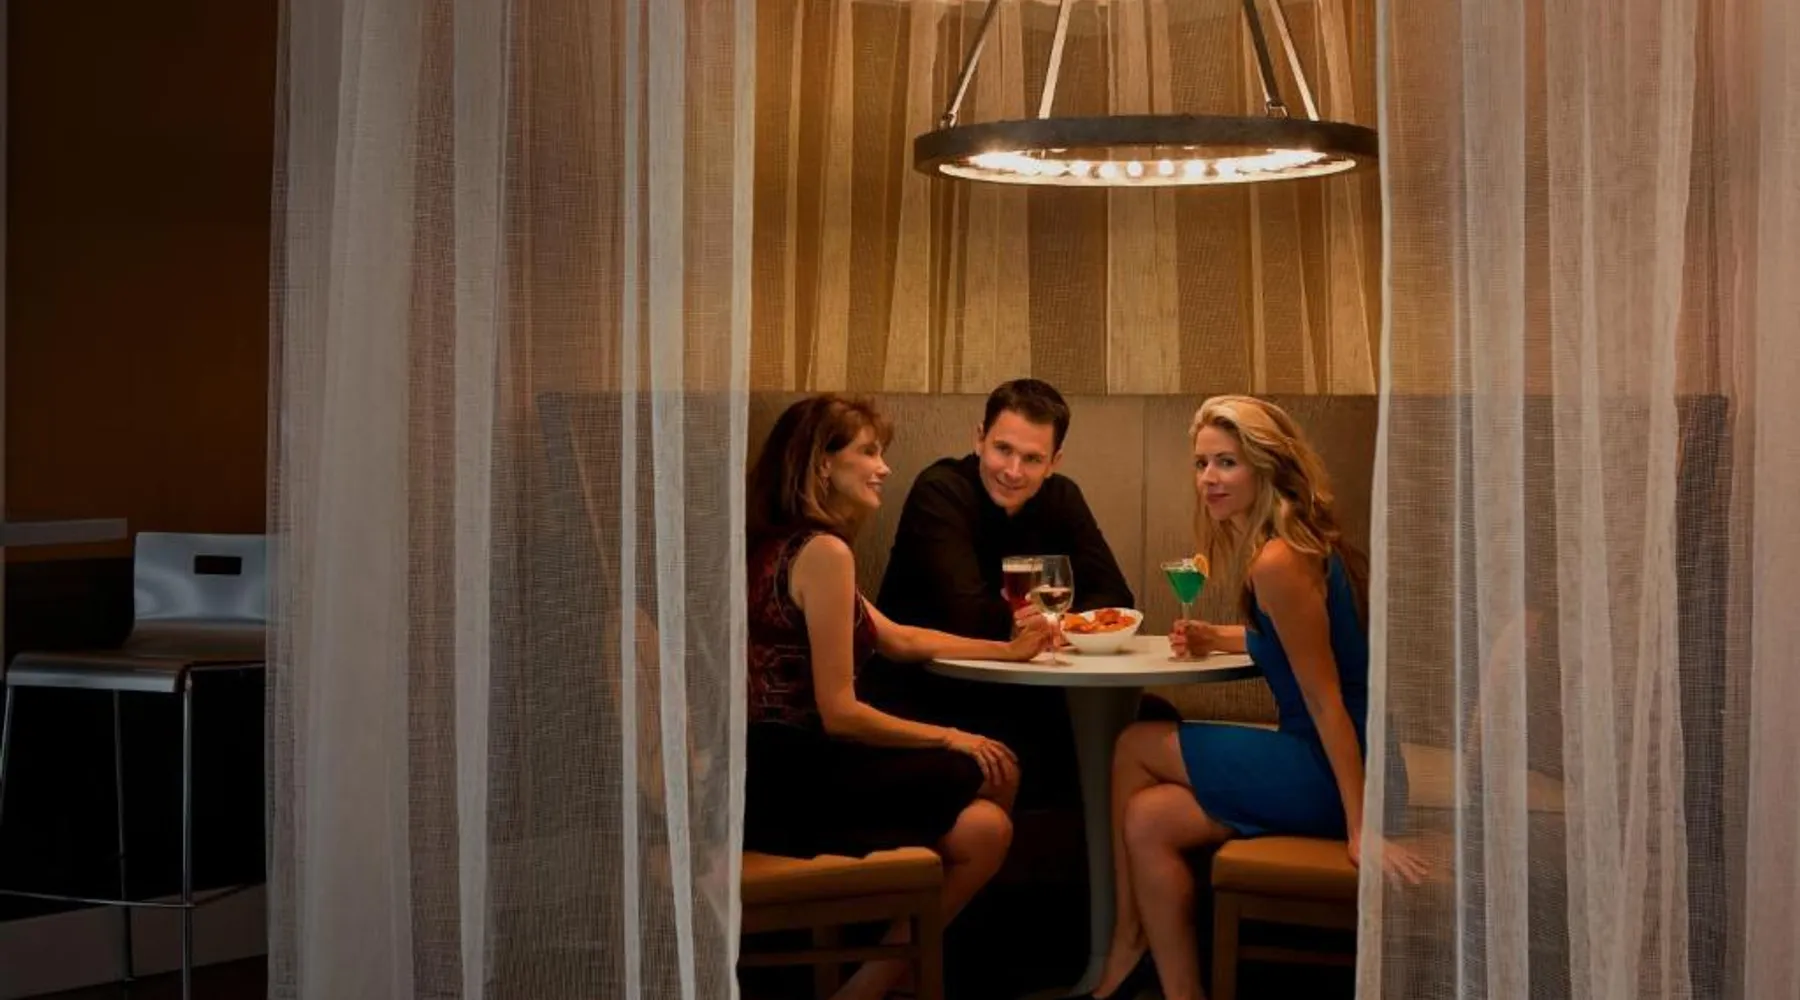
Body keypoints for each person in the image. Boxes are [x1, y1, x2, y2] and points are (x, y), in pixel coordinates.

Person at [1085, 395, 1426, 1000]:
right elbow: (1299, 641)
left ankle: (1125, 940)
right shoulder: (1298, 541)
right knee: (1149, 818)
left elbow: (1327, 702)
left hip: (1337, 767)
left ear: (1266, 466)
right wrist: (1217, 636)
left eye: (1227, 462)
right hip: (1338, 758)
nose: (1209, 479)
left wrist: (1361, 827)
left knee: (1135, 742)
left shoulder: (1277, 560)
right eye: (1201, 464)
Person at [744, 394, 1054, 1000]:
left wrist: (1009, 651)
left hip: (765, 774)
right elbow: (840, 714)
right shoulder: (823, 554)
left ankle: (880, 978)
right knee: (997, 771)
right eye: (868, 452)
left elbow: (901, 639)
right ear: (822, 463)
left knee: (985, 828)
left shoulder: (777, 544)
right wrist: (951, 736)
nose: (883, 467)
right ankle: (900, 975)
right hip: (799, 779)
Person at [867, 379, 1146, 808]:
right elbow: (966, 614)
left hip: (1025, 691)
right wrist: (1049, 623)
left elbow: (1115, 596)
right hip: (929, 694)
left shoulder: (1061, 496)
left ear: (1053, 462)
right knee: (1060, 750)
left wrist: (1052, 624)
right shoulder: (941, 490)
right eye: (1003, 449)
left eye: (1032, 458)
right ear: (979, 438)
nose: (1013, 471)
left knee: (1140, 725)